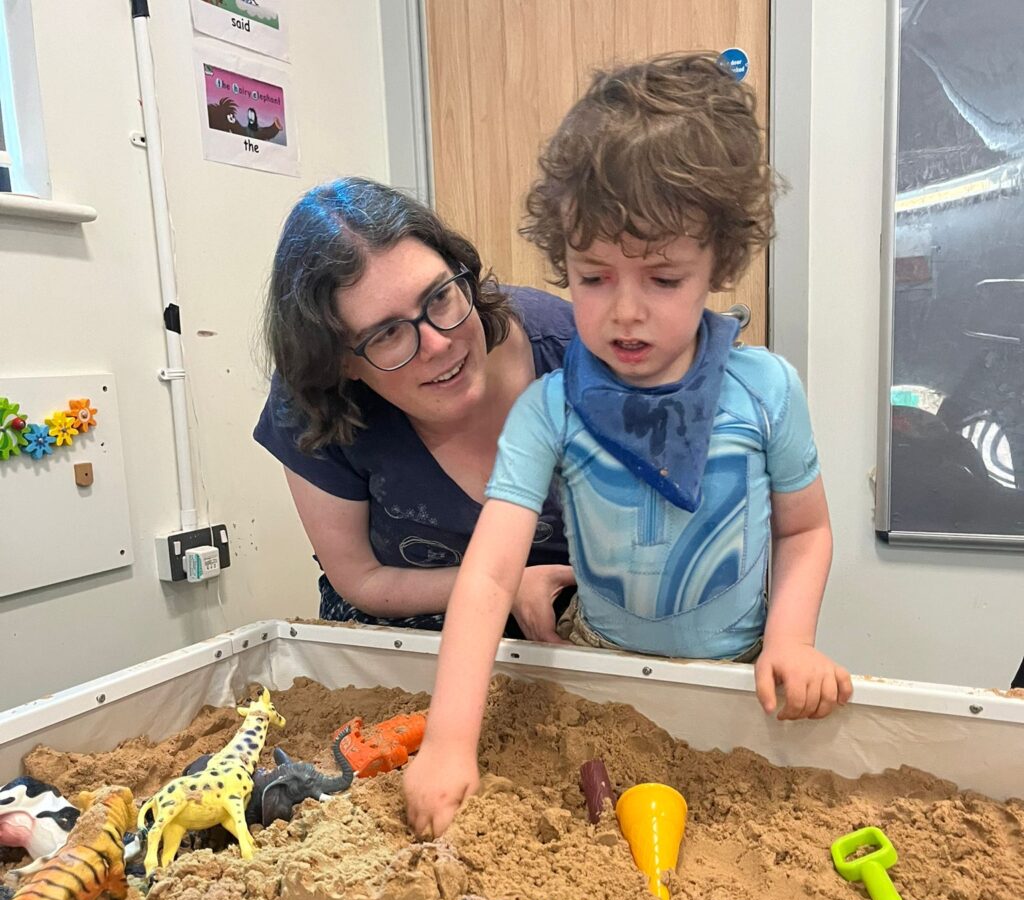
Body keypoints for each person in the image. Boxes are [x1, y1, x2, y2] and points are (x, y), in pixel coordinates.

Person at [404, 53, 853, 838]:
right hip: (600, 670)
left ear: (722, 262)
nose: (626, 313)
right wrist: (448, 741)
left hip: (732, 677)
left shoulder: (765, 390)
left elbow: (805, 530)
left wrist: (790, 640)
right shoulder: (553, 407)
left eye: (664, 279)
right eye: (594, 277)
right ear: (564, 264)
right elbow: (488, 572)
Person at [254, 178, 577, 641]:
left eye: (440, 296)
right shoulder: (311, 403)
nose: (439, 343)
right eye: (387, 333)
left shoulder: (573, 355)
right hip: (408, 629)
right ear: (342, 363)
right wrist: (501, 587)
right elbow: (361, 579)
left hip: (569, 624)